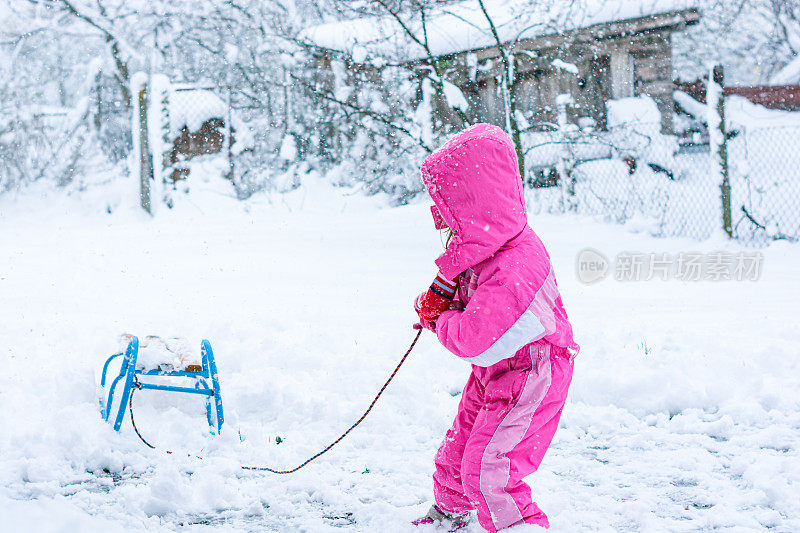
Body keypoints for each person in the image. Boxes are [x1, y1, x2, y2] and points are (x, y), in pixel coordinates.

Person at [411, 123, 579, 532]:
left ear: (475, 206)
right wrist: (443, 300)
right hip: (497, 373)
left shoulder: (516, 264)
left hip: (531, 375)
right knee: (460, 450)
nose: (443, 222)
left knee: (490, 469)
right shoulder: (488, 248)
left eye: (451, 209)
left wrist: (442, 320)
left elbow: (477, 342)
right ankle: (451, 513)